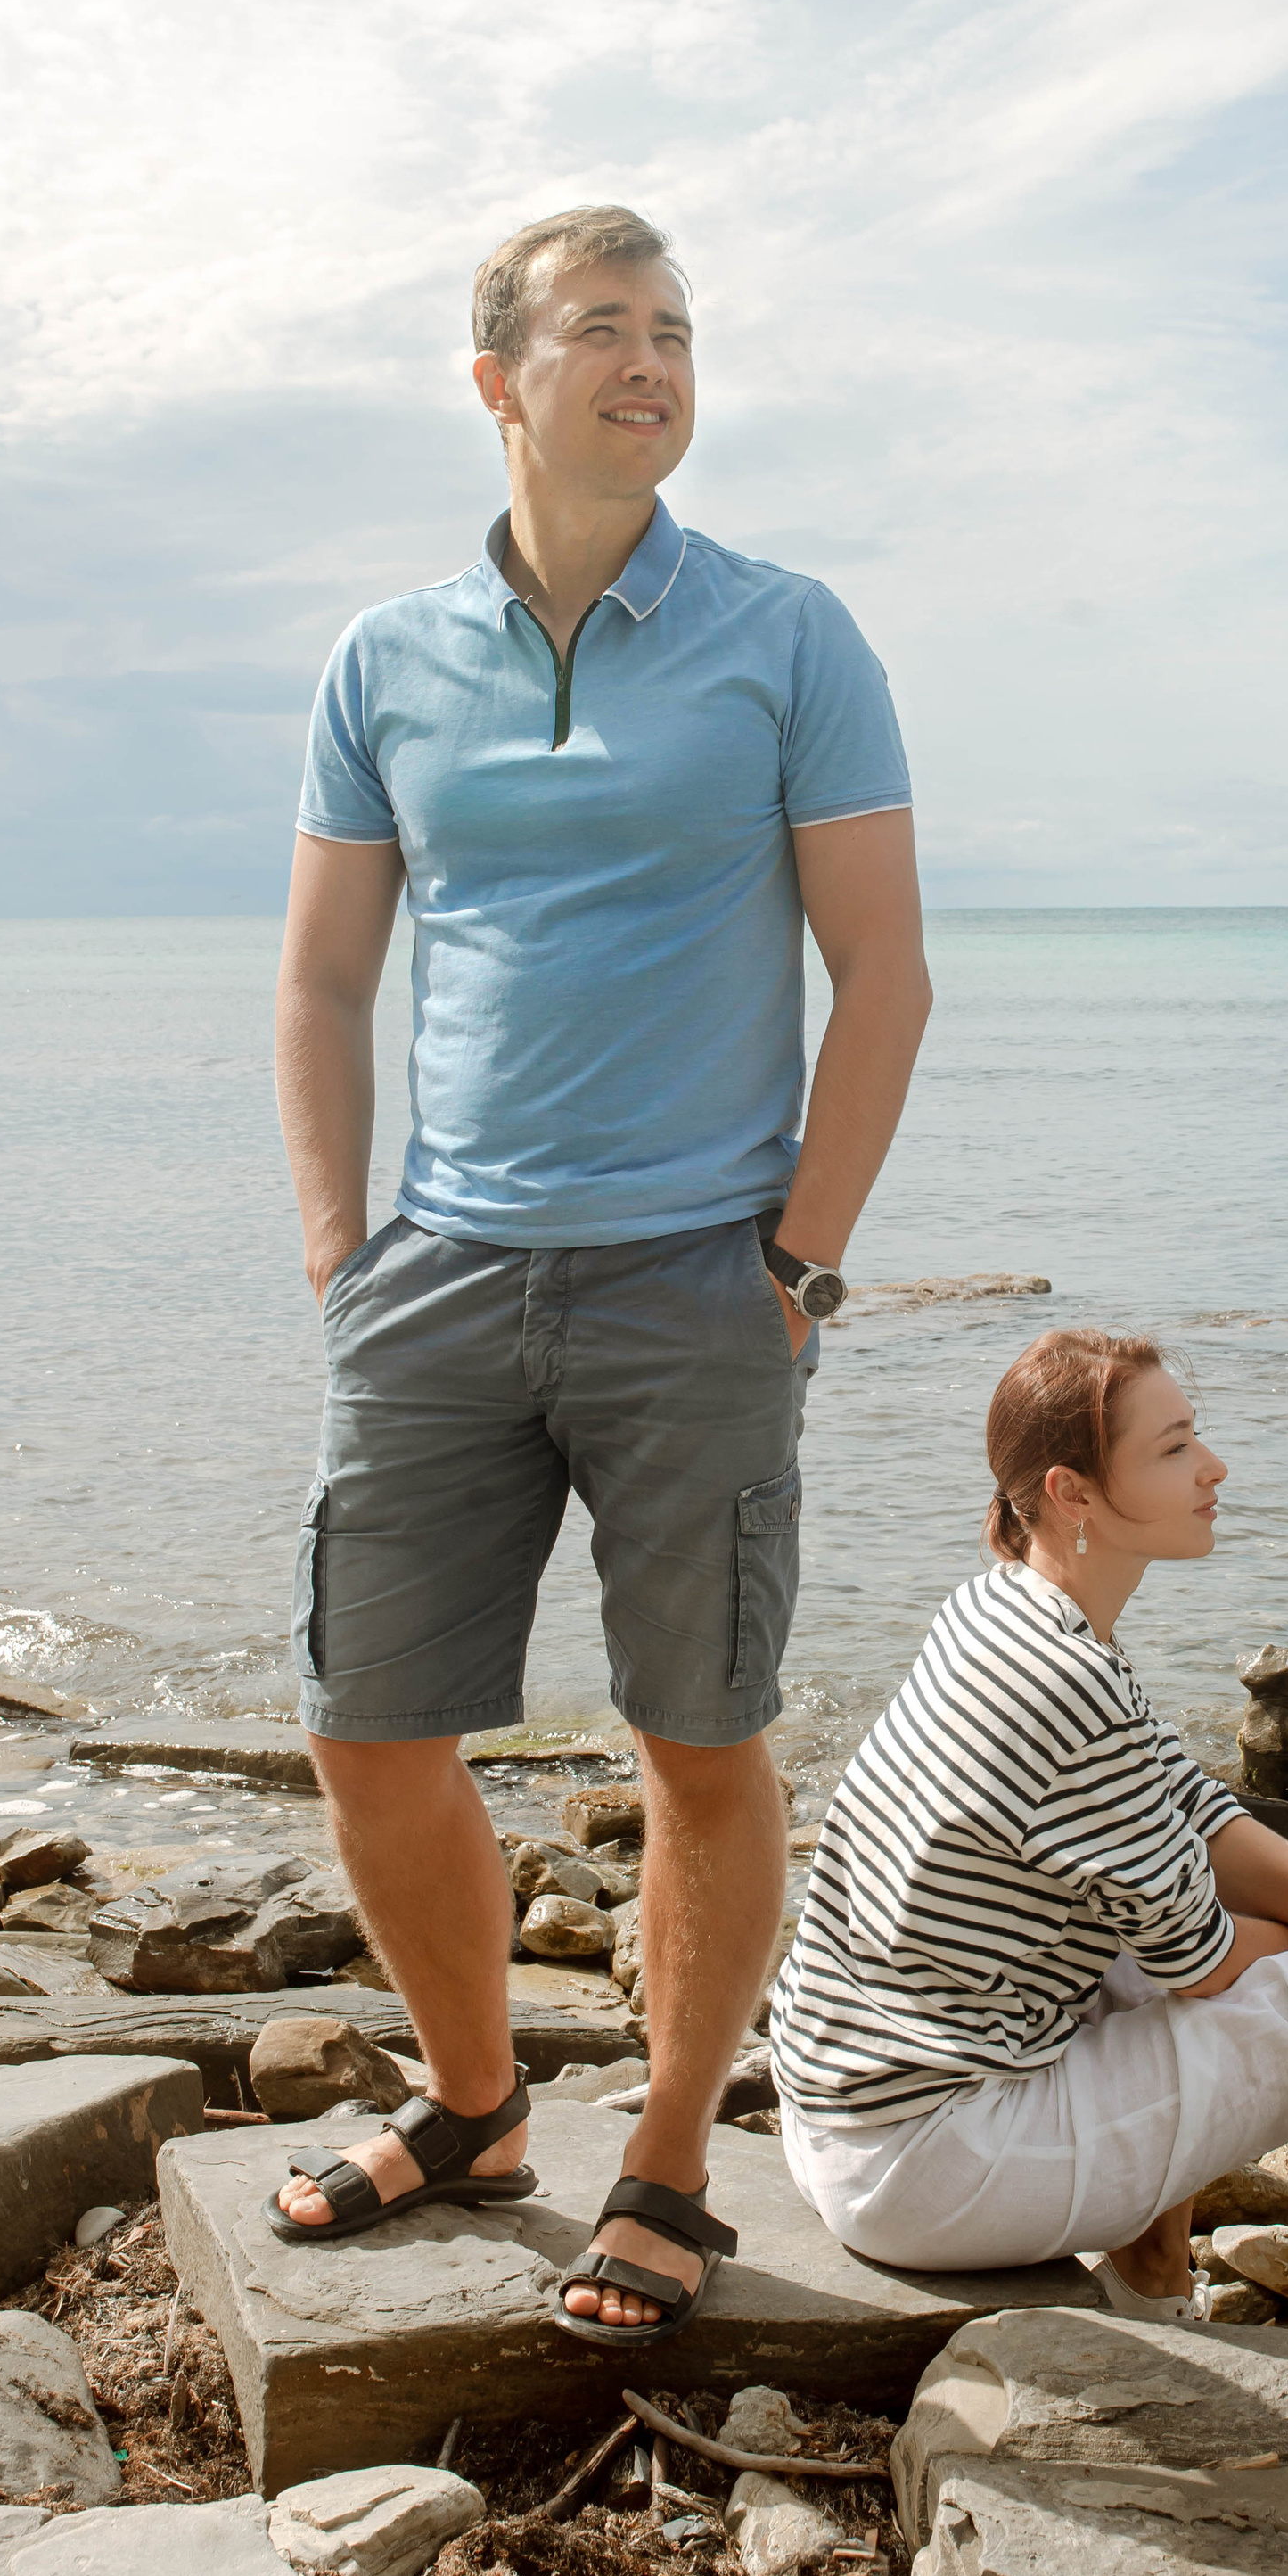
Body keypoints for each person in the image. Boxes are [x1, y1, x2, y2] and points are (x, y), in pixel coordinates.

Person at [270, 202, 931, 2347]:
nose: (646, 363)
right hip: (440, 1275)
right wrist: (334, 1252)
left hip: (695, 1281)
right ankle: (471, 2106)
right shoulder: (384, 659)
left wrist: (801, 1265)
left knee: (697, 1734)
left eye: (671, 332)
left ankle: (663, 2158)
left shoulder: (785, 632)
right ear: (499, 378)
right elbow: (322, 974)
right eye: (600, 331)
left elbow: (886, 976)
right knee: (370, 1728)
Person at [769, 1329, 1288, 2338]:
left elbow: (1190, 1807)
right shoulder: (1062, 1682)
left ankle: (1152, 2276)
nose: (1213, 1467)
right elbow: (1208, 1962)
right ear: (1072, 1493)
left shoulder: (1006, 1609)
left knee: (1259, 1934)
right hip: (922, 2159)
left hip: (847, 2105)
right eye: (1175, 1448)